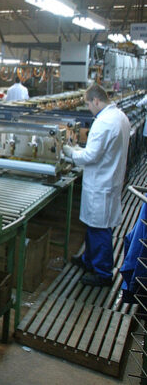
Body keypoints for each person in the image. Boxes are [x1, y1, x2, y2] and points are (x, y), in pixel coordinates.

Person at [63, 84, 130, 287]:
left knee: (100, 229)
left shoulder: (104, 122)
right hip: (109, 179)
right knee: (94, 226)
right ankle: (88, 261)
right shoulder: (120, 116)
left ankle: (103, 273)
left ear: (96, 101)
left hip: (102, 183)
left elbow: (91, 155)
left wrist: (71, 152)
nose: (89, 108)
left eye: (89, 104)